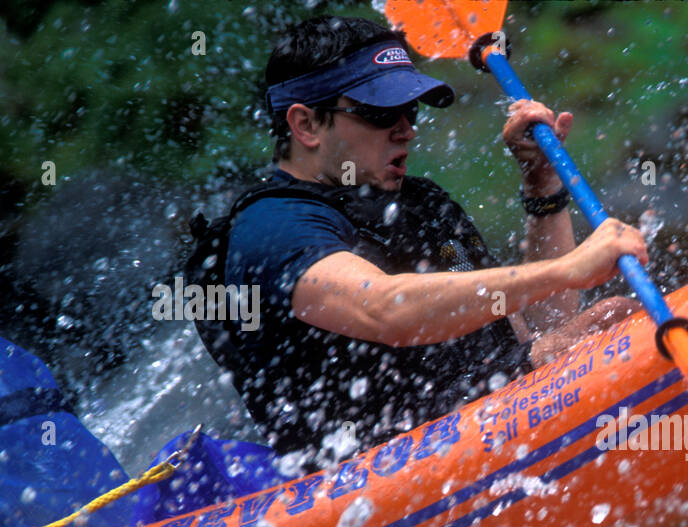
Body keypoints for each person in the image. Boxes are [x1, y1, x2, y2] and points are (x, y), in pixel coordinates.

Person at [192, 15, 647, 471]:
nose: (406, 129)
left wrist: (541, 187)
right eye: (379, 112)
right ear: (306, 124)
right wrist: (569, 269)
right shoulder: (273, 226)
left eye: (411, 110)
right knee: (615, 319)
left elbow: (540, 328)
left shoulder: (421, 203)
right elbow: (386, 310)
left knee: (608, 320)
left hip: (471, 417)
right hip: (375, 472)